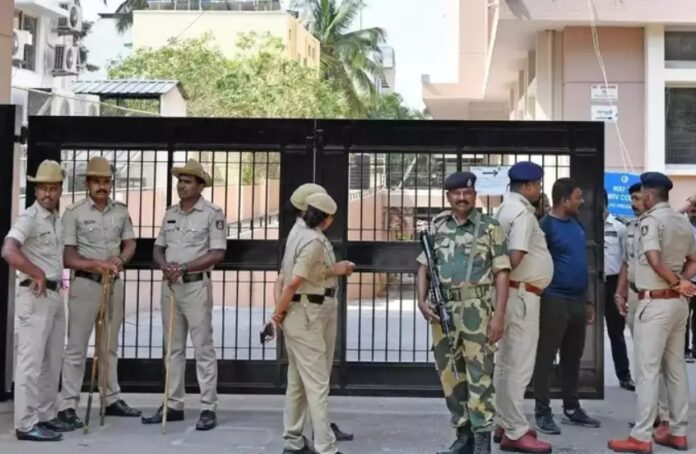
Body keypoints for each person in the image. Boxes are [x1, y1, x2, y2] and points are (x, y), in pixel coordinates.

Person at [416, 171, 510, 454]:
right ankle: (463, 434)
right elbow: (423, 267)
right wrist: (421, 301)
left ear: (474, 195)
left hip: (477, 310)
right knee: (450, 374)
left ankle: (482, 439)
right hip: (443, 311)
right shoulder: (438, 227)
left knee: (480, 374)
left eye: (466, 193)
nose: (461, 198)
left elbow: (502, 274)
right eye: (456, 193)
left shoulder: (490, 228)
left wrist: (498, 315)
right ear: (448, 197)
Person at [609, 172, 696, 454]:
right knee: (675, 369)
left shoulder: (650, 221)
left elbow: (653, 258)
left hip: (655, 302)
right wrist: (682, 281)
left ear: (647, 194)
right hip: (677, 304)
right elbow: (694, 259)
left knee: (647, 371)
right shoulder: (682, 221)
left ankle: (641, 436)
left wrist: (675, 282)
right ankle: (677, 432)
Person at [262, 192, 354, 454]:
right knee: (317, 383)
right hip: (308, 313)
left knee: (298, 382)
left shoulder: (298, 233)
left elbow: (290, 277)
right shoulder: (312, 240)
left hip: (306, 310)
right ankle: (326, 447)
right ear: (327, 218)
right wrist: (276, 316)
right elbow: (292, 282)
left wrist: (335, 269)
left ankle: (293, 440)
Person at [142, 158, 226, 431]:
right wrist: (164, 265)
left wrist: (184, 267)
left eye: (187, 181)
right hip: (171, 287)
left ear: (200, 186)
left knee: (203, 347)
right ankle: (173, 404)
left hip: (195, 286)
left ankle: (208, 407)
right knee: (172, 348)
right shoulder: (170, 213)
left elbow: (217, 253)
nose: (181, 185)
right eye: (180, 181)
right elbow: (158, 248)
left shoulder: (212, 213)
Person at [56, 156, 140, 430]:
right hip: (86, 285)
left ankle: (111, 398)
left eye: (106, 181)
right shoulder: (74, 213)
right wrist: (96, 264)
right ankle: (68, 405)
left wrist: (121, 259)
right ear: (87, 184)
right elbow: (67, 256)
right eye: (97, 182)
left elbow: (130, 243)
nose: (102, 187)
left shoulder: (121, 211)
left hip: (113, 285)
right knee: (76, 347)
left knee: (109, 346)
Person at [1, 160, 68, 441]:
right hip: (34, 294)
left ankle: (46, 415)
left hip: (54, 295)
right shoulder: (29, 218)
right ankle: (26, 424)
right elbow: (8, 250)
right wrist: (36, 271)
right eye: (42, 188)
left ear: (60, 189)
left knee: (52, 361)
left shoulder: (56, 220)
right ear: (36, 189)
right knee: (30, 363)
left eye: (52, 188)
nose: (47, 194)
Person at [492, 162, 553, 454]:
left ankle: (503, 421)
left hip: (511, 294)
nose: (539, 190)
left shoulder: (503, 209)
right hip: (521, 295)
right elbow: (514, 257)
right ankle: (515, 431)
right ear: (528, 186)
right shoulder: (523, 213)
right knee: (519, 365)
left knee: (505, 363)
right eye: (538, 185)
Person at [533, 178, 600, 435]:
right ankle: (542, 412)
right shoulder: (545, 227)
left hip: (578, 300)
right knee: (546, 356)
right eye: (577, 197)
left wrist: (588, 300)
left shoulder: (576, 223)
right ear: (564, 200)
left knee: (573, 356)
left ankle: (572, 408)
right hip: (554, 299)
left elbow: (582, 263)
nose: (581, 201)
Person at [615, 183, 670, 432]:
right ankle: (648, 414)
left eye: (638, 198)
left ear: (648, 198)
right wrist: (620, 292)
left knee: (657, 361)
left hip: (657, 296)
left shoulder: (662, 224)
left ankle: (663, 415)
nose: (634, 204)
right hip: (636, 295)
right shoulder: (630, 228)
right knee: (641, 359)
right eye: (632, 199)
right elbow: (627, 263)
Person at [602, 190, 635, 391]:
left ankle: (624, 375)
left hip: (613, 282)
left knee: (616, 333)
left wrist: (622, 291)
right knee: (582, 333)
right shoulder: (583, 226)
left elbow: (626, 260)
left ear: (604, 203)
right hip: (590, 284)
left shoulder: (619, 227)